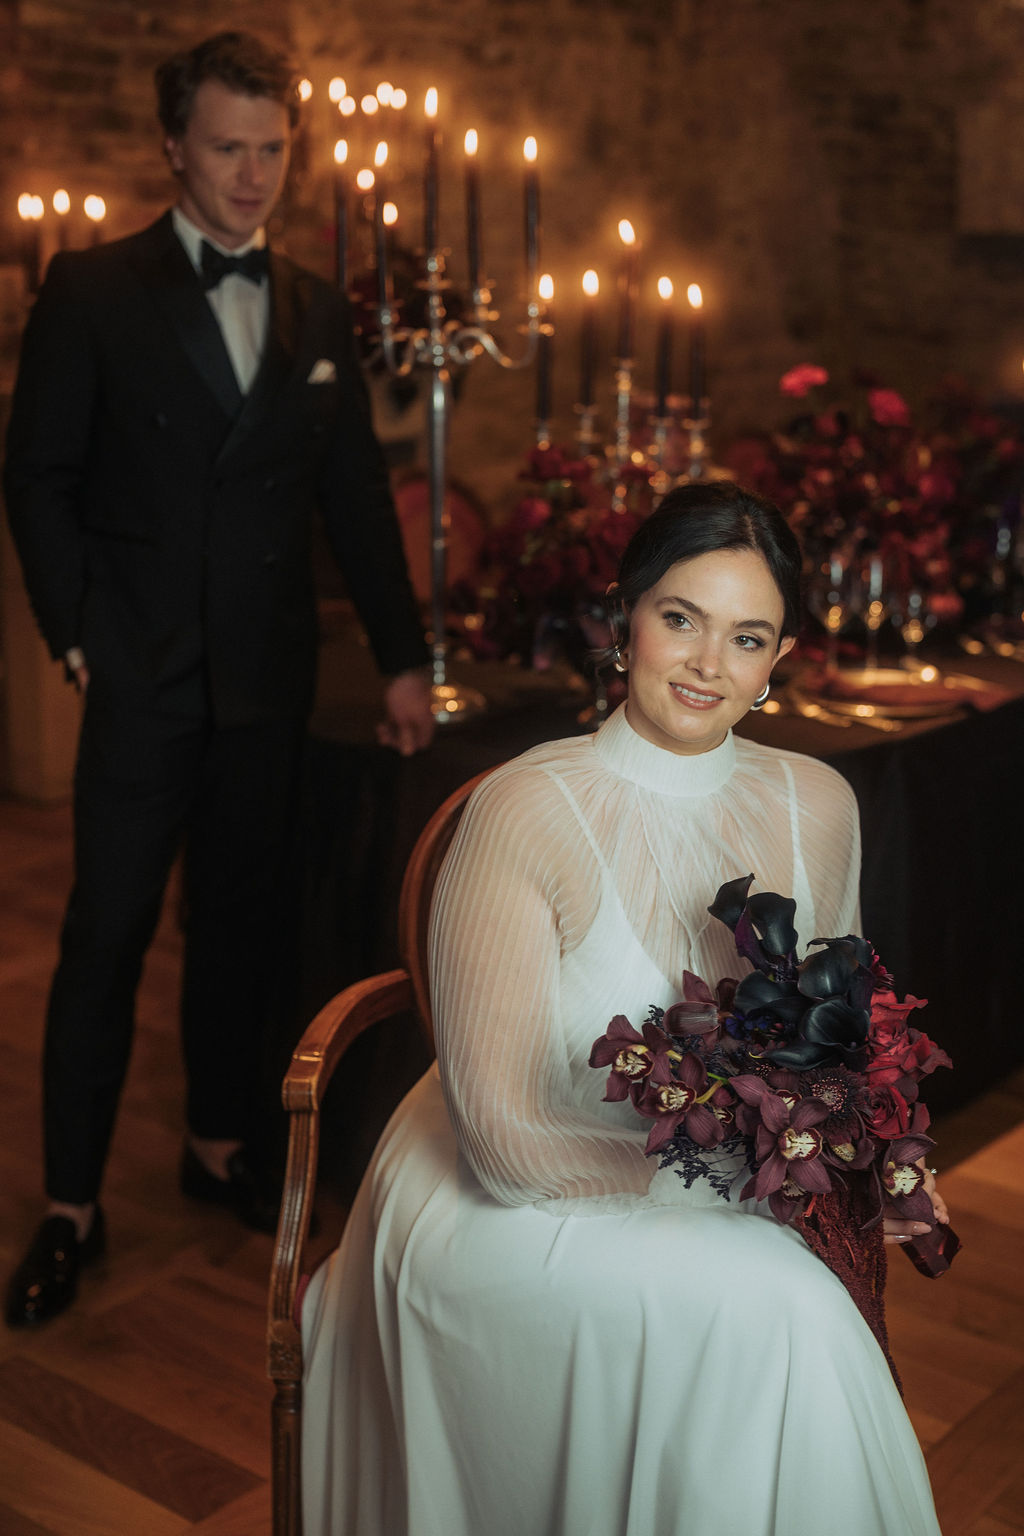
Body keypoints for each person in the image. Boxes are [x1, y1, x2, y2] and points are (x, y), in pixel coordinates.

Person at [299, 481, 946, 1535]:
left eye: (747, 638)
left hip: (720, 1194)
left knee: (790, 1308)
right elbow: (504, 1142)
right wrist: (746, 1180)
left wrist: (879, 1159)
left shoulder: (819, 803)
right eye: (680, 618)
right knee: (790, 1311)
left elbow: (839, 1041)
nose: (707, 664)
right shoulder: (521, 810)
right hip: (506, 1198)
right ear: (624, 617)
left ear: (778, 660)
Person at [3, 30, 434, 1330]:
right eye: (229, 147)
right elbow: (36, 476)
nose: (254, 174)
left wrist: (404, 657)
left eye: (272, 149)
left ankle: (216, 1142)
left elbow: (356, 499)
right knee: (106, 939)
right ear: (173, 148)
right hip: (141, 679)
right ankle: (70, 1206)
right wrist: (78, 633)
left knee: (241, 934)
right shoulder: (93, 289)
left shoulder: (313, 303)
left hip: (264, 681)